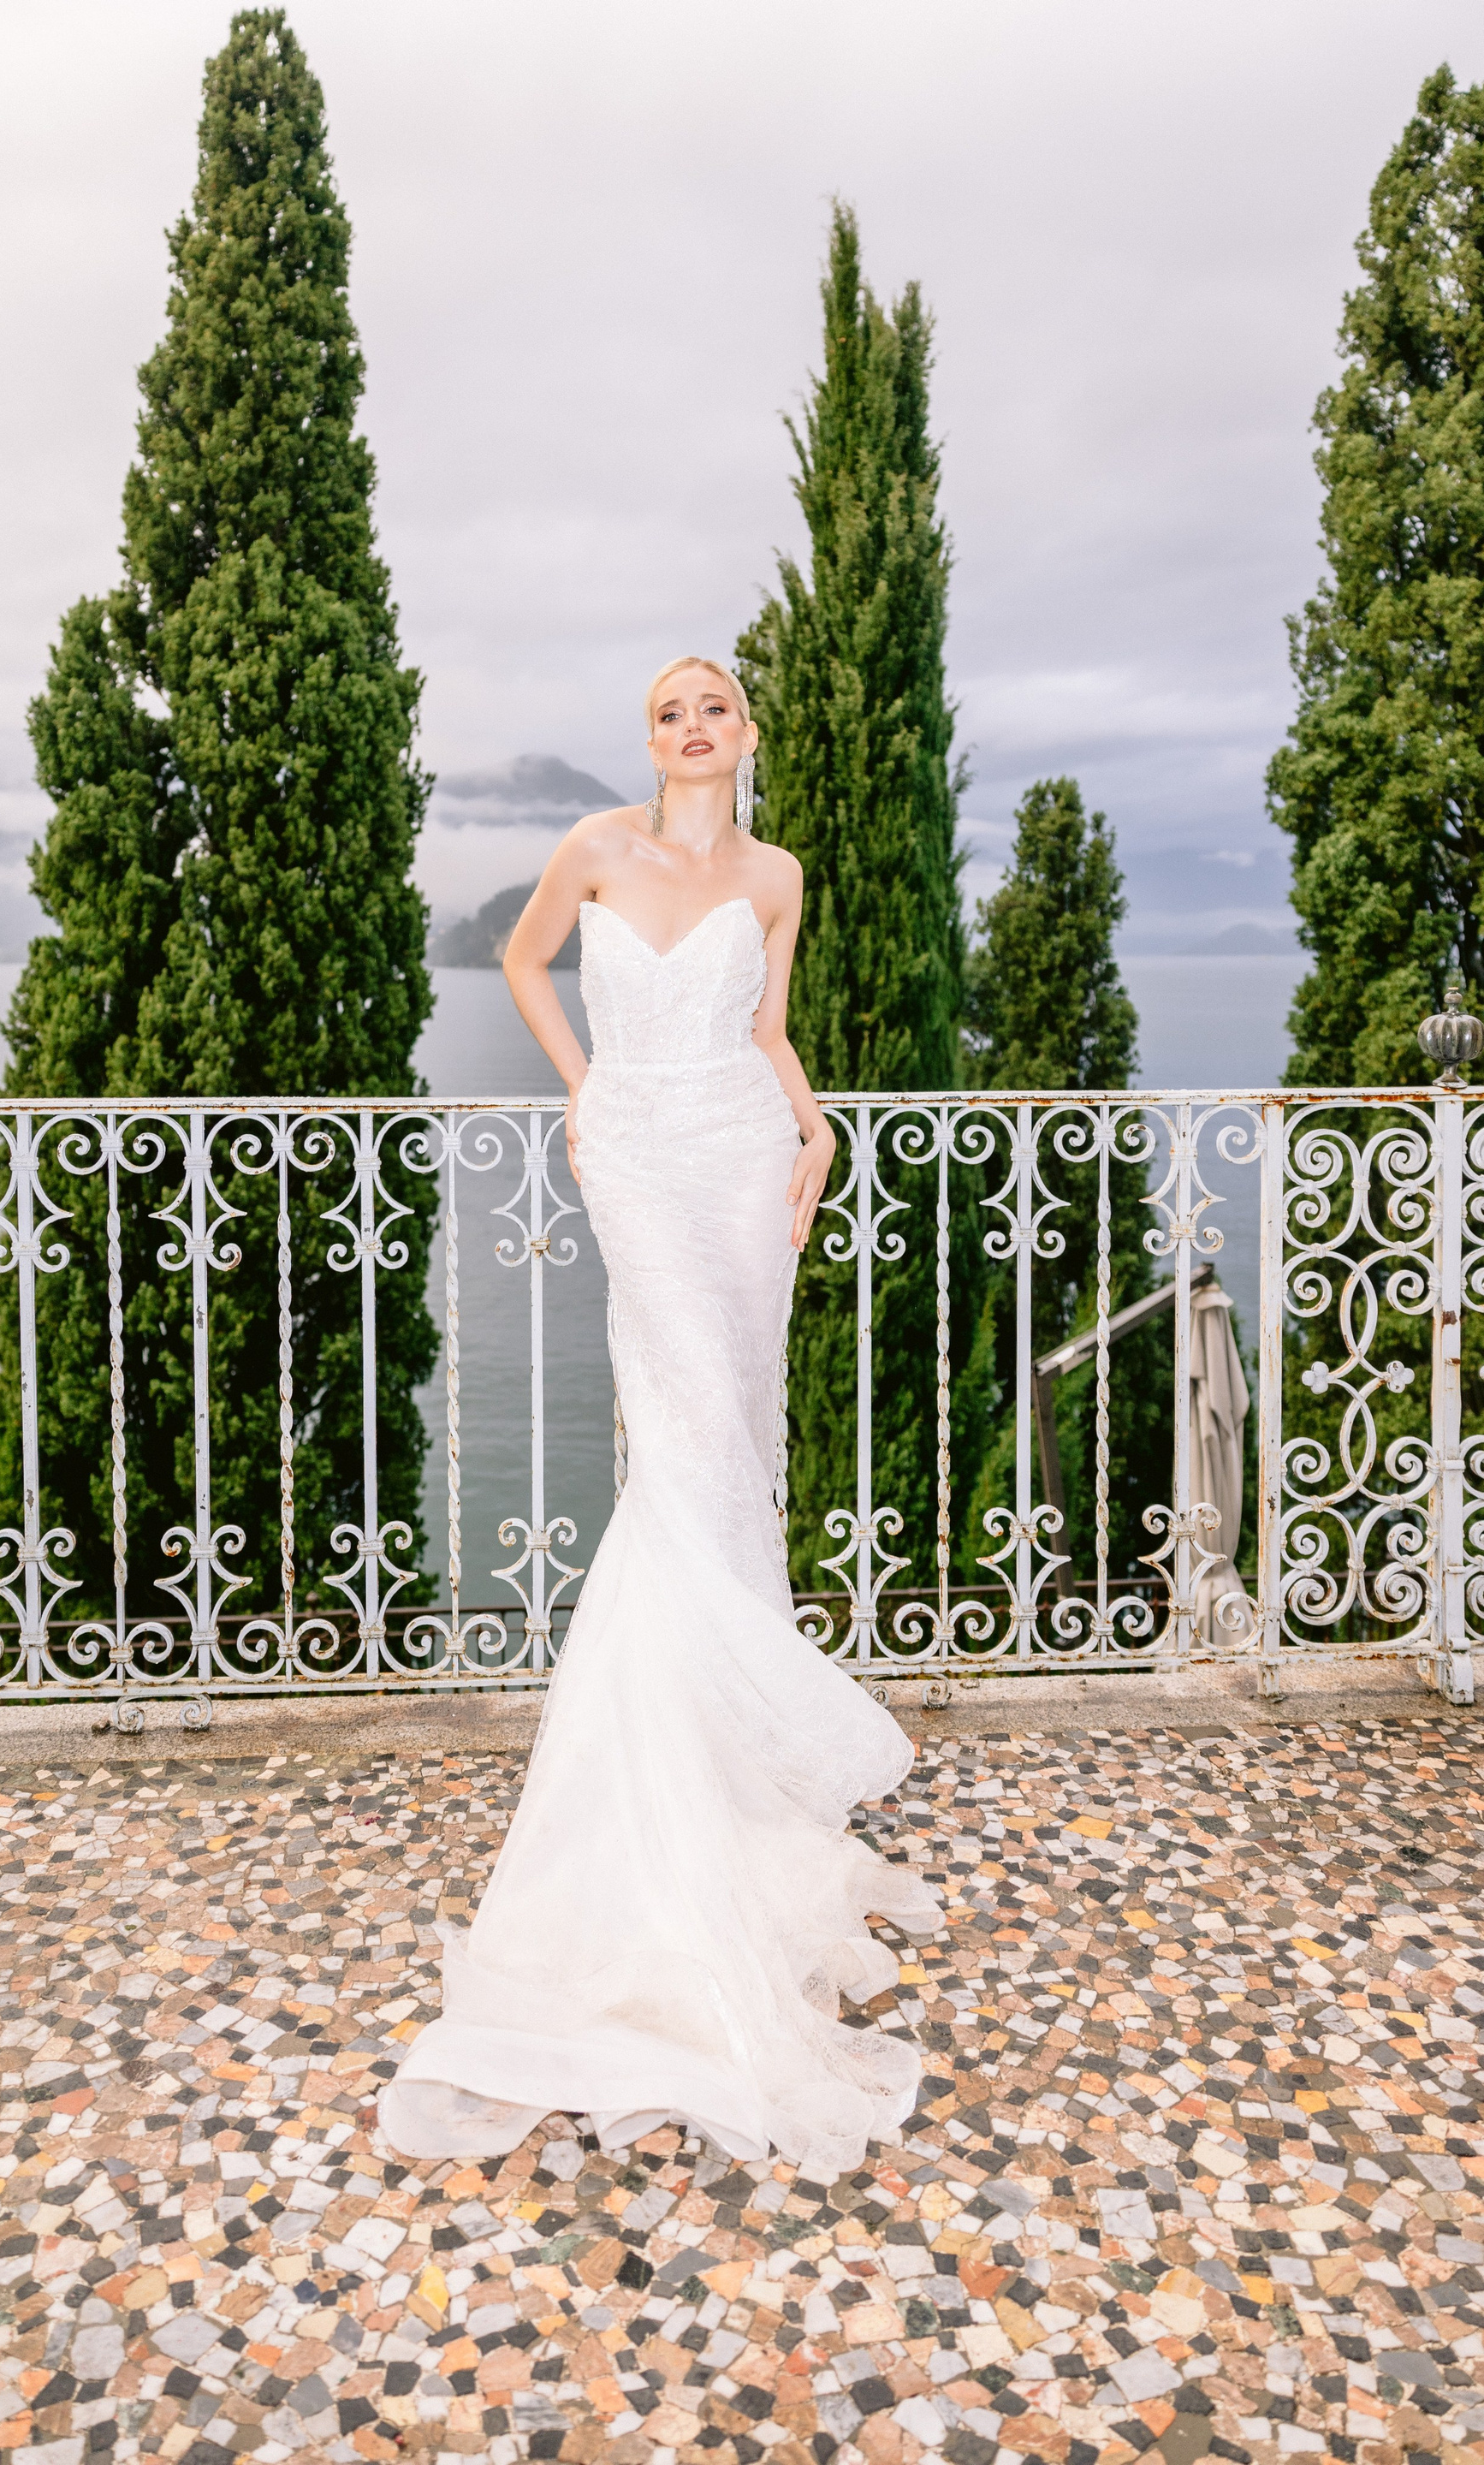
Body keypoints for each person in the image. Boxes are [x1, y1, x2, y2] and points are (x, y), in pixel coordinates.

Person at [375, 657, 936, 2170]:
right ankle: (661, 1810)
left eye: (716, 707)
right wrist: (585, 1087)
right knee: (682, 1442)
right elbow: (524, 964)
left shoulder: (777, 874)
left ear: (747, 734)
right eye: (672, 710)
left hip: (748, 1158)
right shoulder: (596, 847)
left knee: (730, 1446)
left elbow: (768, 1029)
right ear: (652, 739)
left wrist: (814, 1125)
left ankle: (732, 1793)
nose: (695, 727)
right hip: (634, 1151)